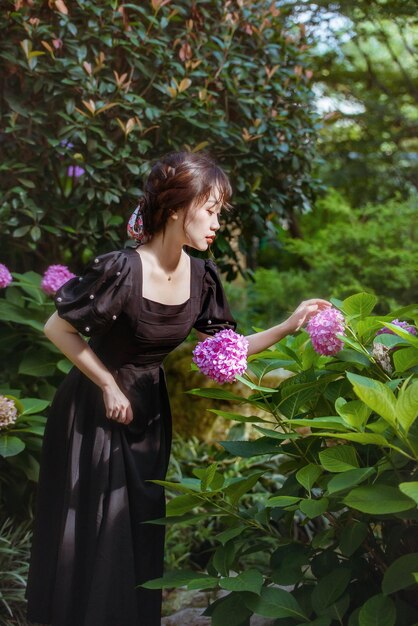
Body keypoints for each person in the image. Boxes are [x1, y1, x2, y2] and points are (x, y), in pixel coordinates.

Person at [26, 151, 331, 626]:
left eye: (218, 213)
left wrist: (290, 324)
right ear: (174, 210)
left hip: (148, 410)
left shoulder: (201, 276)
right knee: (93, 526)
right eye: (209, 211)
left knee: (137, 523)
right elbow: (56, 329)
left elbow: (228, 348)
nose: (215, 224)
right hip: (94, 407)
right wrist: (107, 383)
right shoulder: (121, 269)